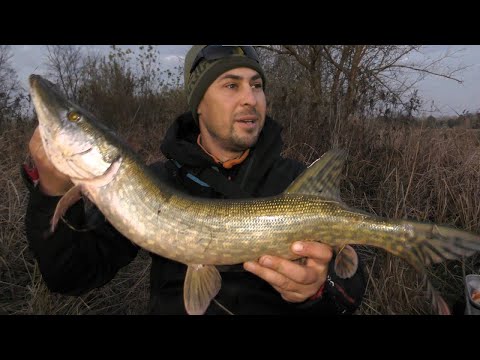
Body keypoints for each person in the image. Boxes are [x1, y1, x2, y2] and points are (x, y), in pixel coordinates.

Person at [22, 45, 366, 315]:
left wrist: (319, 289)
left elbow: (349, 296)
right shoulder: (158, 179)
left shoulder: (293, 179)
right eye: (231, 85)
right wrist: (52, 190)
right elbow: (69, 275)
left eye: (257, 85)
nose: (251, 98)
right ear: (198, 103)